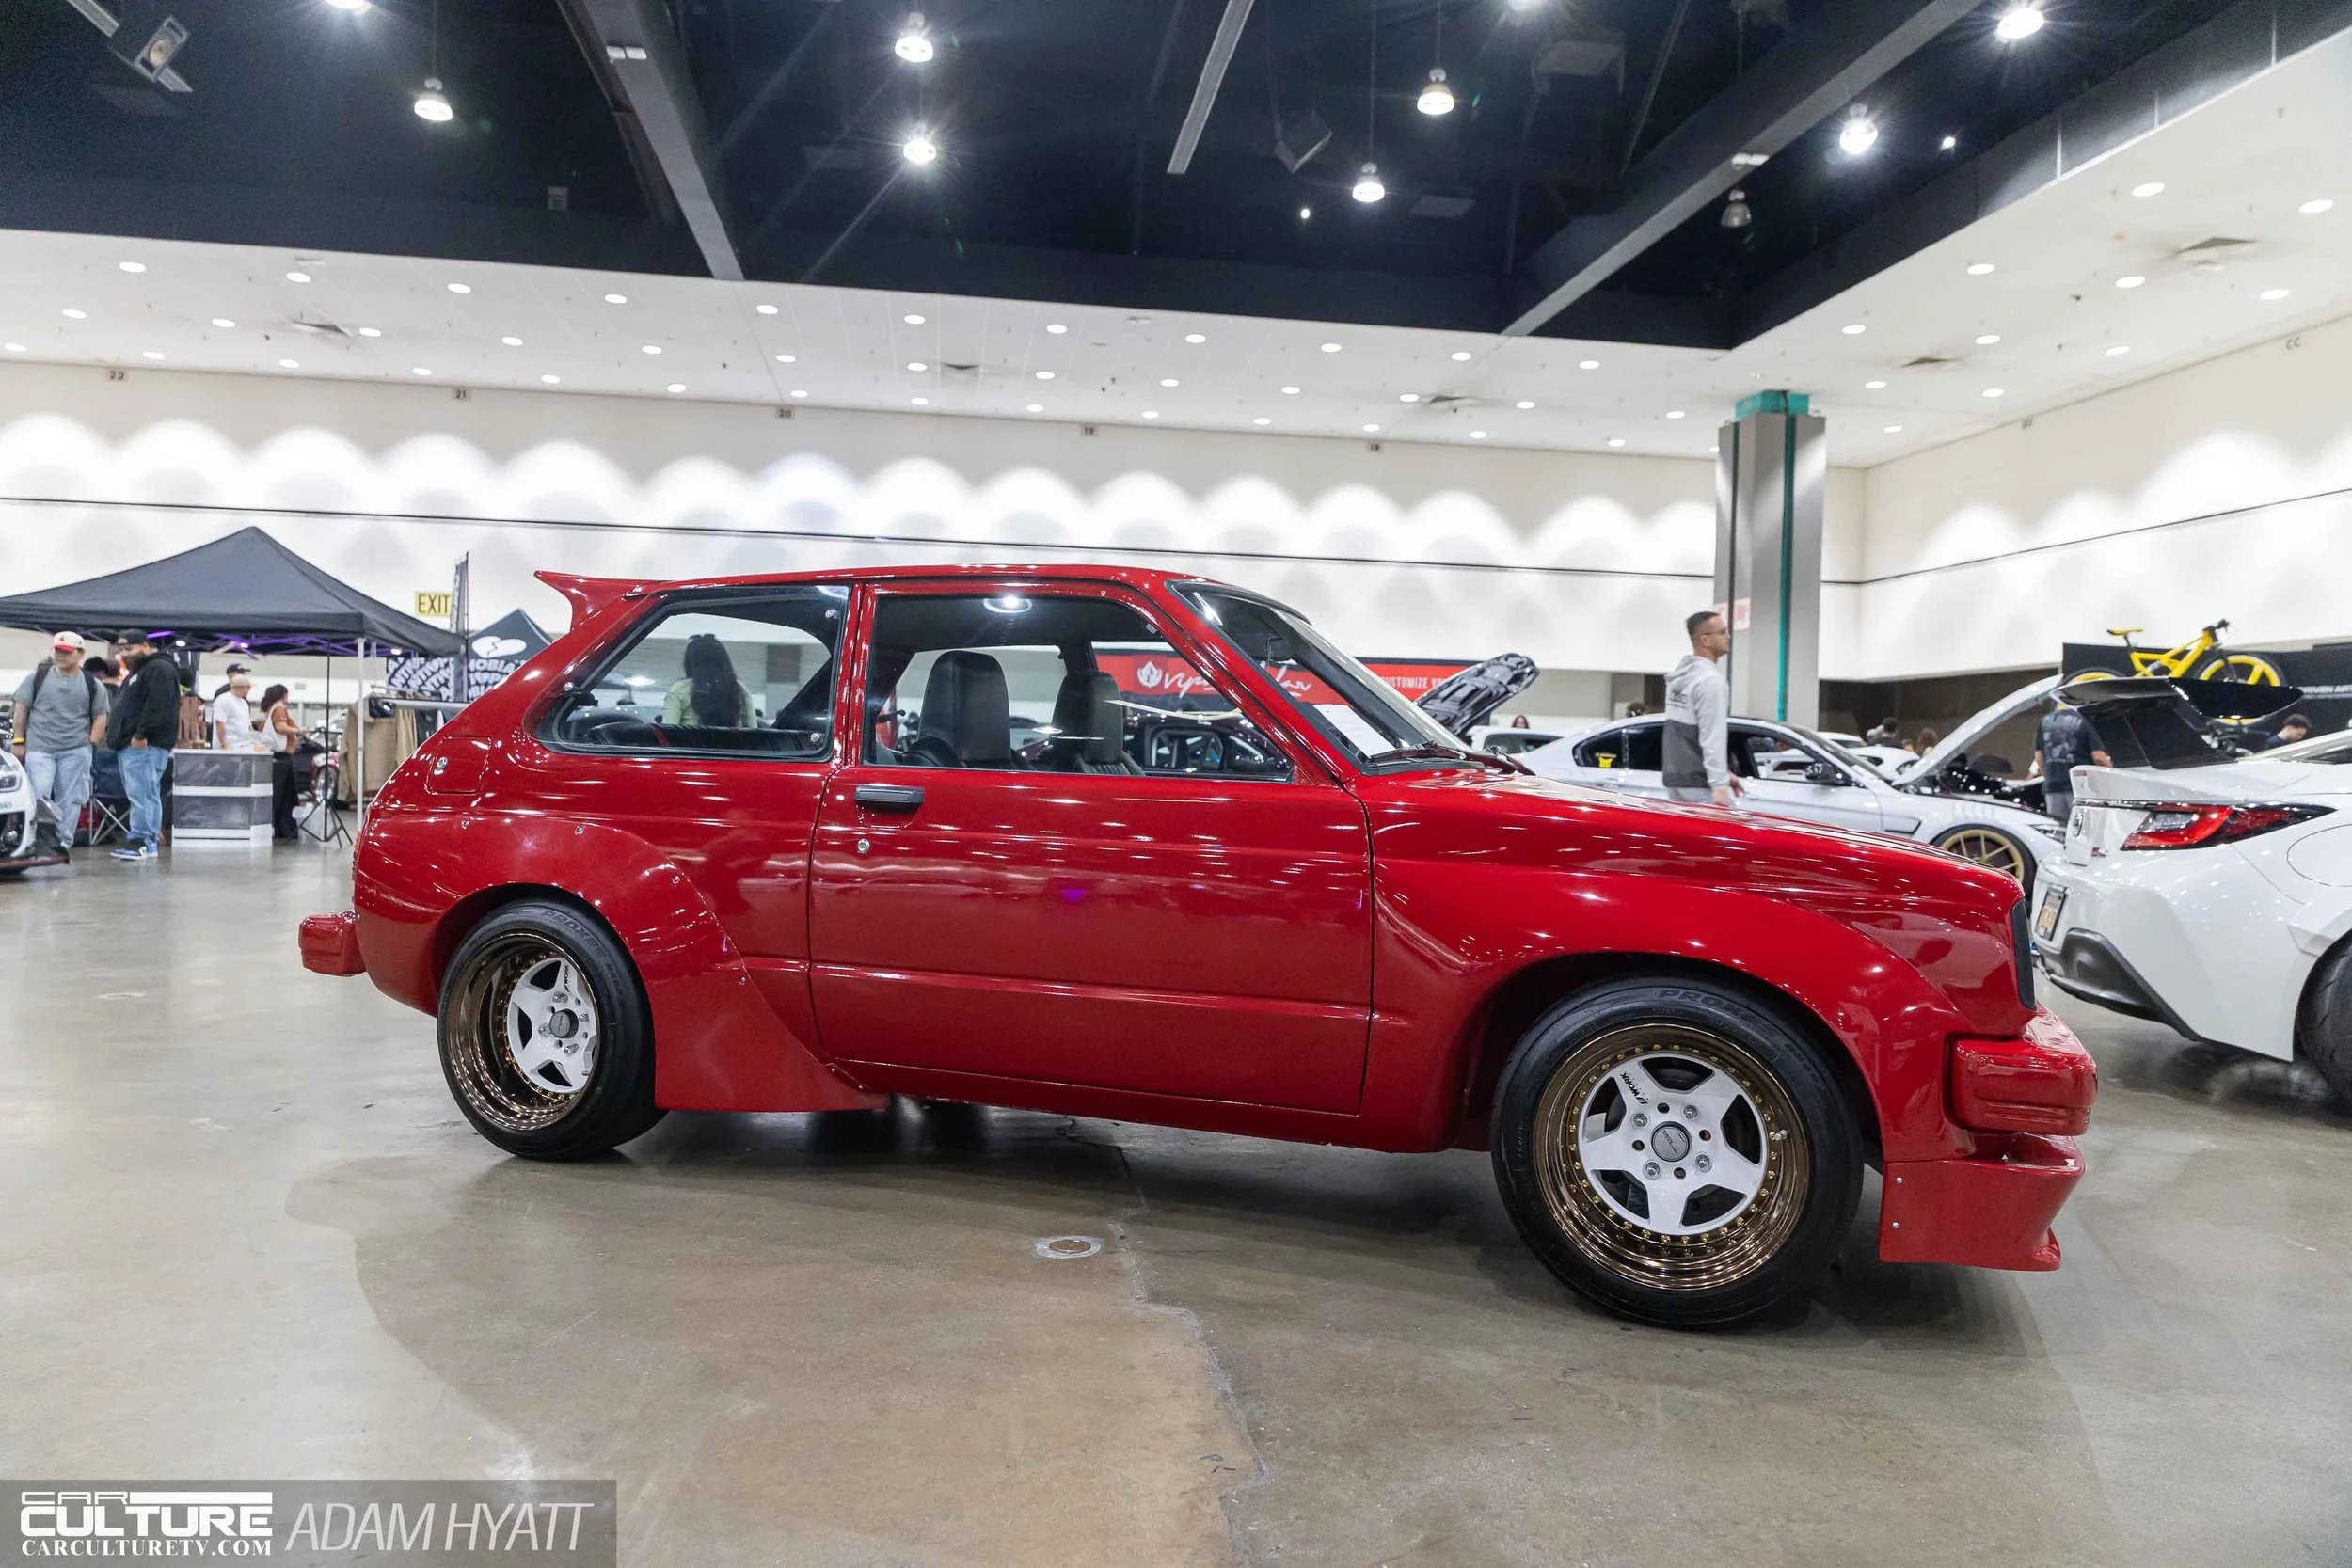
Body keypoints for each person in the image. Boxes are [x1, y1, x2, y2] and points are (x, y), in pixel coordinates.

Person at [8, 631, 110, 858]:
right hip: (40, 747)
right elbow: (21, 710)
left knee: (71, 797)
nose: (61, 655)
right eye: (57, 650)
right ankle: (34, 839)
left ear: (80, 654)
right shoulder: (37, 677)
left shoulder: (92, 684)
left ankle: (62, 841)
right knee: (39, 794)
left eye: (66, 652)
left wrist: (90, 743)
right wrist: (18, 740)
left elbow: (101, 716)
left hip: (75, 749)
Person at [106, 634, 183, 861]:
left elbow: (158, 705)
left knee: (143, 793)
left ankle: (143, 840)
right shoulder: (140, 670)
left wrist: (141, 734)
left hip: (144, 744)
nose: (125, 654)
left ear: (146, 646)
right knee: (142, 793)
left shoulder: (158, 668)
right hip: (133, 744)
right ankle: (143, 840)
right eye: (121, 650)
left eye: (129, 648)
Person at [1663, 610, 1741, 807]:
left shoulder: (1680, 678)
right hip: (1701, 786)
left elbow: (1687, 734)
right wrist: (1719, 786)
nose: (1728, 637)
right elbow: (1711, 737)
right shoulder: (1711, 682)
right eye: (1723, 632)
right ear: (1706, 640)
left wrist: (1723, 774)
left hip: (1676, 781)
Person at [2031, 701, 2111, 826]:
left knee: (2059, 831)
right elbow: (2099, 758)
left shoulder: (2044, 721)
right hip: (2080, 788)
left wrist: (2048, 776)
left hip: (2052, 787)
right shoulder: (2085, 720)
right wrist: (2109, 774)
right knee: (2084, 829)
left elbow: (2039, 756)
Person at [664, 634, 753, 727]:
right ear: (723, 660)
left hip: (691, 741)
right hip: (732, 741)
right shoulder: (739, 689)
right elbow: (754, 733)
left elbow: (667, 732)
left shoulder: (679, 690)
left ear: (690, 661)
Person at [259, 683, 302, 840]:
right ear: (283, 695)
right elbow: (281, 727)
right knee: (285, 797)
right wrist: (298, 730)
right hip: (282, 756)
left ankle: (279, 827)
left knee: (278, 796)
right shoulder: (279, 708)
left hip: (275, 757)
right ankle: (285, 830)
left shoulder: (270, 710)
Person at [211, 672, 268, 753]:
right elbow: (220, 723)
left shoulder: (244, 703)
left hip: (243, 747)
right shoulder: (223, 700)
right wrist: (223, 744)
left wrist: (254, 741)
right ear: (243, 687)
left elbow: (248, 725)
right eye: (248, 688)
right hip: (228, 747)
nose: (249, 690)